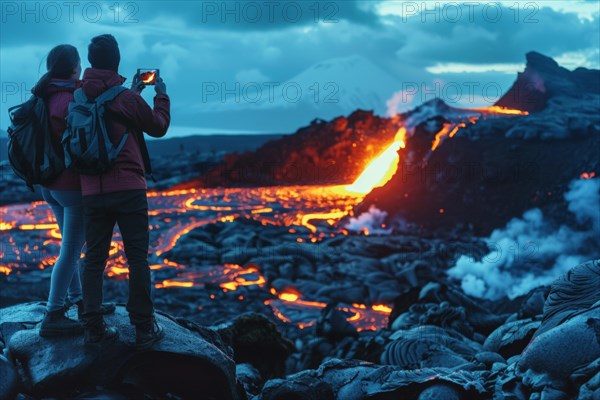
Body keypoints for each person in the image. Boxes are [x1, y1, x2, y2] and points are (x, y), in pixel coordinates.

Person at [79, 34, 170, 350]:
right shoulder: (127, 99)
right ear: (116, 61)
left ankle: (92, 326)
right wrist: (160, 95)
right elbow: (158, 127)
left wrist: (132, 91)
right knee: (136, 258)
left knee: (94, 258)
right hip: (129, 188)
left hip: (91, 189)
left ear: (90, 62)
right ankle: (144, 326)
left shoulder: (78, 96)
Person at [34, 44, 115, 337]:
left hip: (50, 185)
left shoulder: (45, 94)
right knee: (70, 251)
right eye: (79, 63)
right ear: (72, 67)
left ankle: (81, 302)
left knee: (69, 247)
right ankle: (53, 314)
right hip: (70, 186)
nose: (81, 68)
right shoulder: (70, 99)